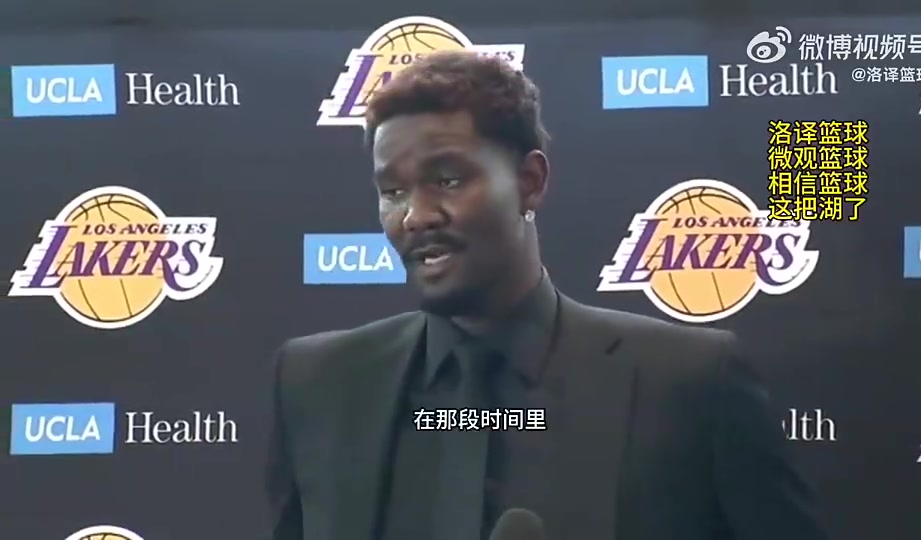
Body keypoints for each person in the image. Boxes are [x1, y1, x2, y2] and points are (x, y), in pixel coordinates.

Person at [265, 50, 828, 540]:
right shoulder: (317, 382)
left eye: (448, 180)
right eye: (392, 191)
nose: (416, 216)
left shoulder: (691, 381)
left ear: (530, 182)